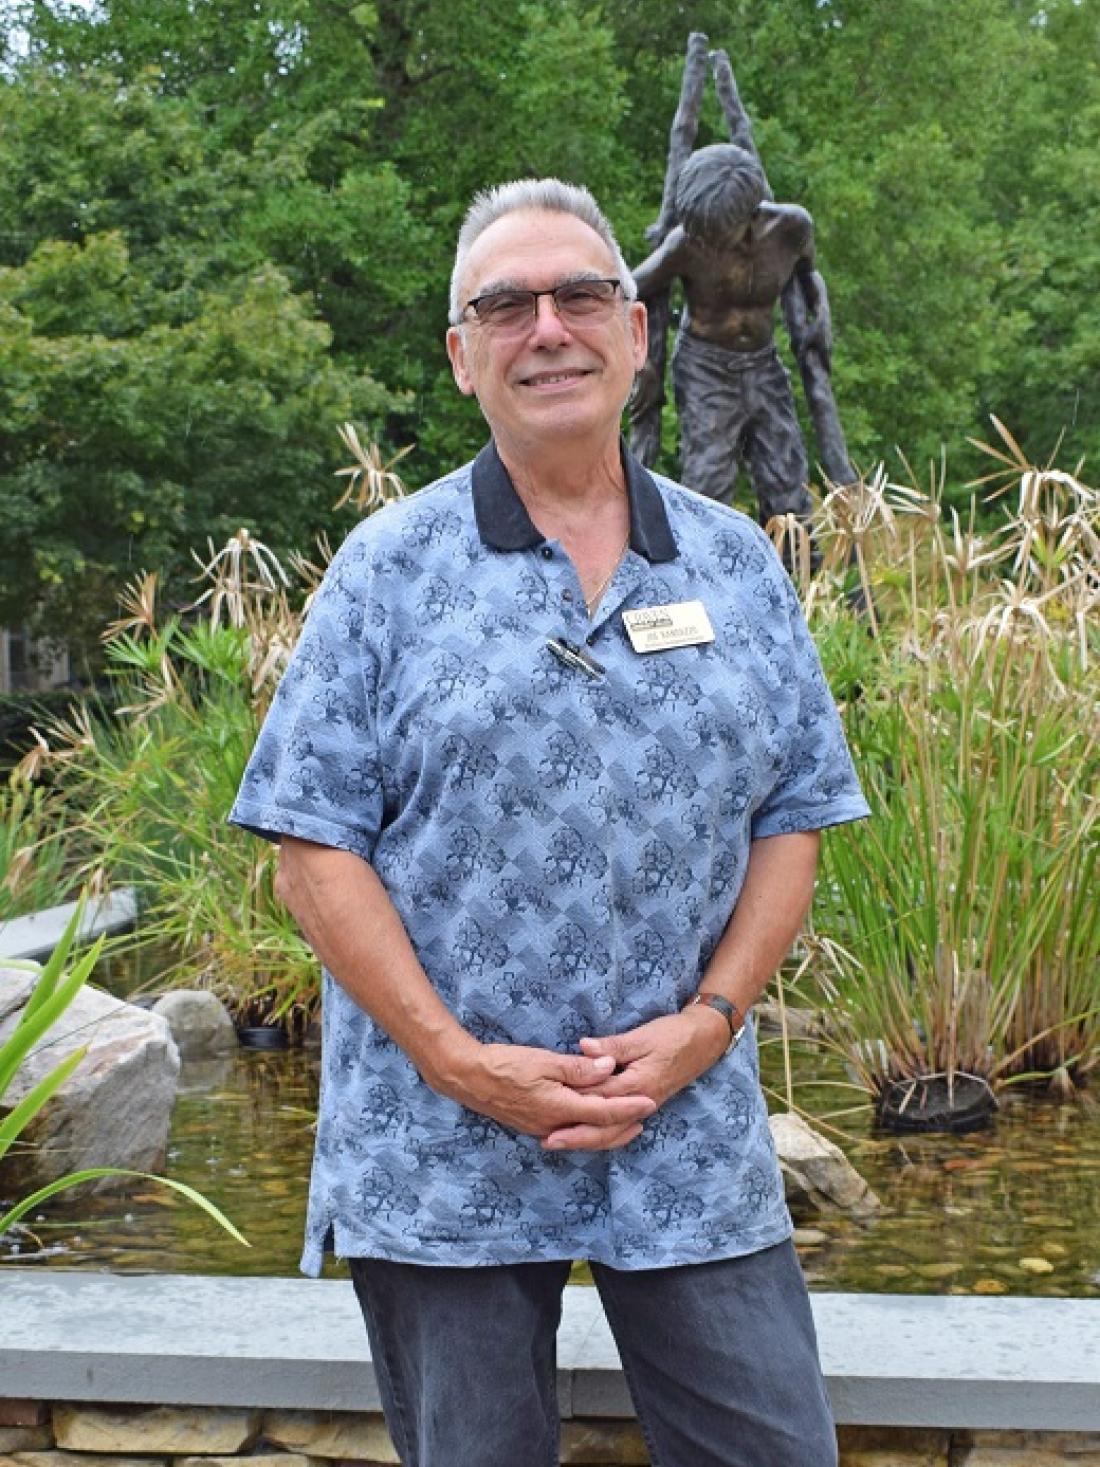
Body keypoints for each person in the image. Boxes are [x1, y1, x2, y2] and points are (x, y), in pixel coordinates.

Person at [229, 176, 869, 1467]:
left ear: (640, 331)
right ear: (462, 358)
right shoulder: (387, 573)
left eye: (583, 294)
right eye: (506, 305)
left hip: (683, 1125)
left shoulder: (737, 565)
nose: (549, 328)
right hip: (441, 1140)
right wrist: (461, 1060)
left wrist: (712, 1020)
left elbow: (796, 814)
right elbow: (314, 845)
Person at [631, 142, 832, 531]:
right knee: (708, 485)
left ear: (750, 215)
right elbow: (629, 289)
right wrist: (641, 362)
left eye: (716, 230)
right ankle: (708, 580)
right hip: (705, 369)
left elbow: (810, 274)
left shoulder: (791, 228)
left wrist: (820, 314)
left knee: (787, 486)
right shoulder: (686, 243)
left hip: (764, 364)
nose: (707, 239)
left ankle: (795, 581)